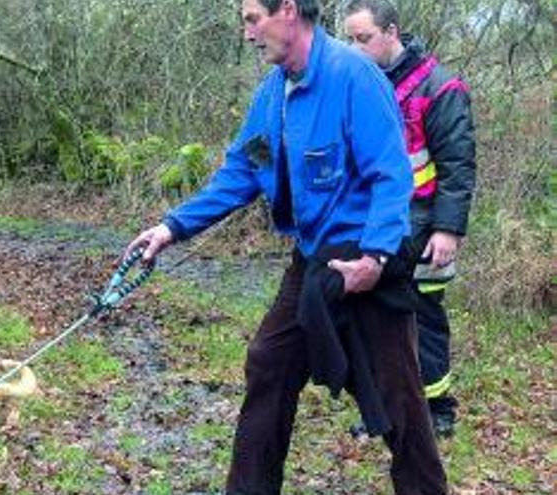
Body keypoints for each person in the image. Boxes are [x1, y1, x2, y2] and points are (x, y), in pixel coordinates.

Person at [124, 0, 448, 493]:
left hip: (365, 257)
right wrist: (171, 228)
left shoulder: (353, 77)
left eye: (253, 18)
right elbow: (241, 173)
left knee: (398, 395)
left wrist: (376, 258)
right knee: (269, 363)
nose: (248, 33)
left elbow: (390, 173)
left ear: (289, 11)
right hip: (312, 261)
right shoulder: (271, 97)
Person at [343, 0, 477, 438]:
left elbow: (458, 166)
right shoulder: (361, 84)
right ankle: (380, 407)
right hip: (375, 223)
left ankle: (437, 408)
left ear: (392, 32)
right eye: (350, 39)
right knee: (372, 317)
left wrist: (447, 229)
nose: (356, 49)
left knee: (424, 317)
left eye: (363, 38)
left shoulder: (440, 87)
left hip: (425, 226)